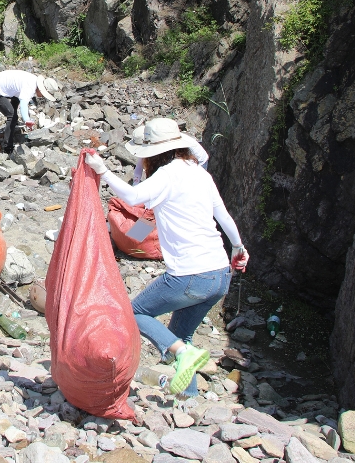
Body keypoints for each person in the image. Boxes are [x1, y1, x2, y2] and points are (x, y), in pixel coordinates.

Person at [84, 117, 249, 396]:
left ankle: (183, 354)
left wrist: (103, 171)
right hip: (220, 275)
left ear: (154, 151)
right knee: (180, 336)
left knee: (135, 313)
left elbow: (132, 197)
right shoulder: (201, 173)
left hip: (190, 275)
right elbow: (223, 216)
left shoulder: (167, 174)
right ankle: (189, 397)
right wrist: (238, 248)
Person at [0, 70, 61, 152]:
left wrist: (27, 118)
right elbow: (23, 105)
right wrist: (27, 120)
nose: (42, 96)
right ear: (42, 88)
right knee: (12, 116)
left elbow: (23, 100)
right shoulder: (30, 87)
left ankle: (12, 127)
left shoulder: (34, 81)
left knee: (16, 102)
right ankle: (7, 147)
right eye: (44, 94)